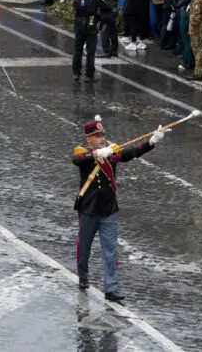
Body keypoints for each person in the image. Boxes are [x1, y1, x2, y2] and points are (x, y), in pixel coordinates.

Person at [72, 115, 165, 300]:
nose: (101, 138)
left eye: (102, 134)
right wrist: (98, 153)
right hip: (89, 210)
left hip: (109, 211)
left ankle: (111, 288)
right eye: (97, 136)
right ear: (89, 138)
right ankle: (83, 275)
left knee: (110, 251)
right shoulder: (84, 152)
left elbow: (131, 152)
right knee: (84, 249)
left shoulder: (111, 153)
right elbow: (77, 159)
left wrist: (152, 141)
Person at [73, 0, 110, 82]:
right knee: (90, 52)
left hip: (79, 27)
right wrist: (99, 17)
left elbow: (76, 9)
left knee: (78, 51)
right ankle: (89, 75)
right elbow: (107, 7)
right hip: (91, 27)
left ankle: (76, 73)